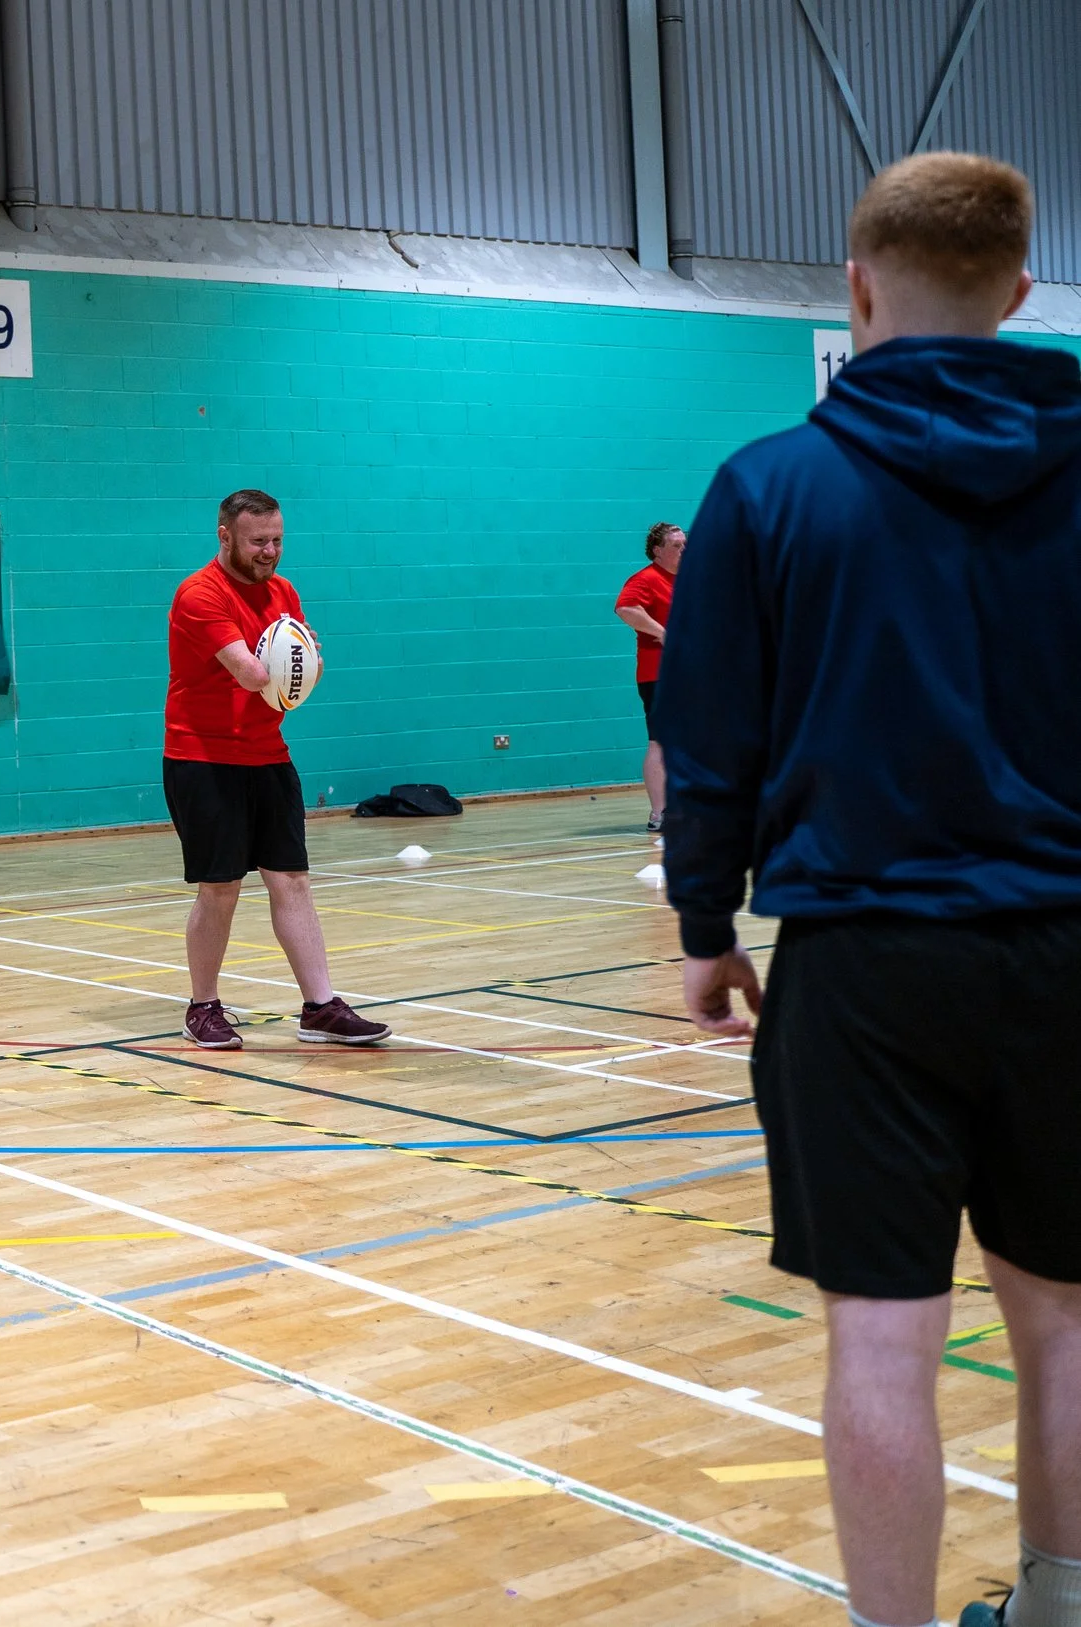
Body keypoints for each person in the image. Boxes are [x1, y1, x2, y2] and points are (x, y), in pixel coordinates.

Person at [660, 153, 1081, 1627]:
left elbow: (708, 739)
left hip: (863, 960)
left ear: (854, 289)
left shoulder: (770, 486)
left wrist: (705, 925)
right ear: (1017, 291)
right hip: (1067, 948)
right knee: (1065, 1319)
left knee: (884, 1337)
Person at [163, 489, 391, 1050]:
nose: (269, 551)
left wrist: (305, 658)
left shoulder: (284, 591)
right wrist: (297, 656)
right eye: (257, 541)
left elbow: (306, 671)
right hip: (202, 759)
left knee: (291, 880)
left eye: (277, 540)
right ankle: (202, 1007)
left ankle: (320, 1008)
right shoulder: (199, 594)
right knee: (220, 888)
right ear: (225, 537)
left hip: (268, 755)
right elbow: (252, 674)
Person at [614, 522, 684, 833]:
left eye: (685, 544)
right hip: (659, 674)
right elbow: (626, 608)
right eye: (676, 546)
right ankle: (660, 813)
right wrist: (662, 633)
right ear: (658, 551)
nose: (684, 550)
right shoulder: (646, 579)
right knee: (661, 741)